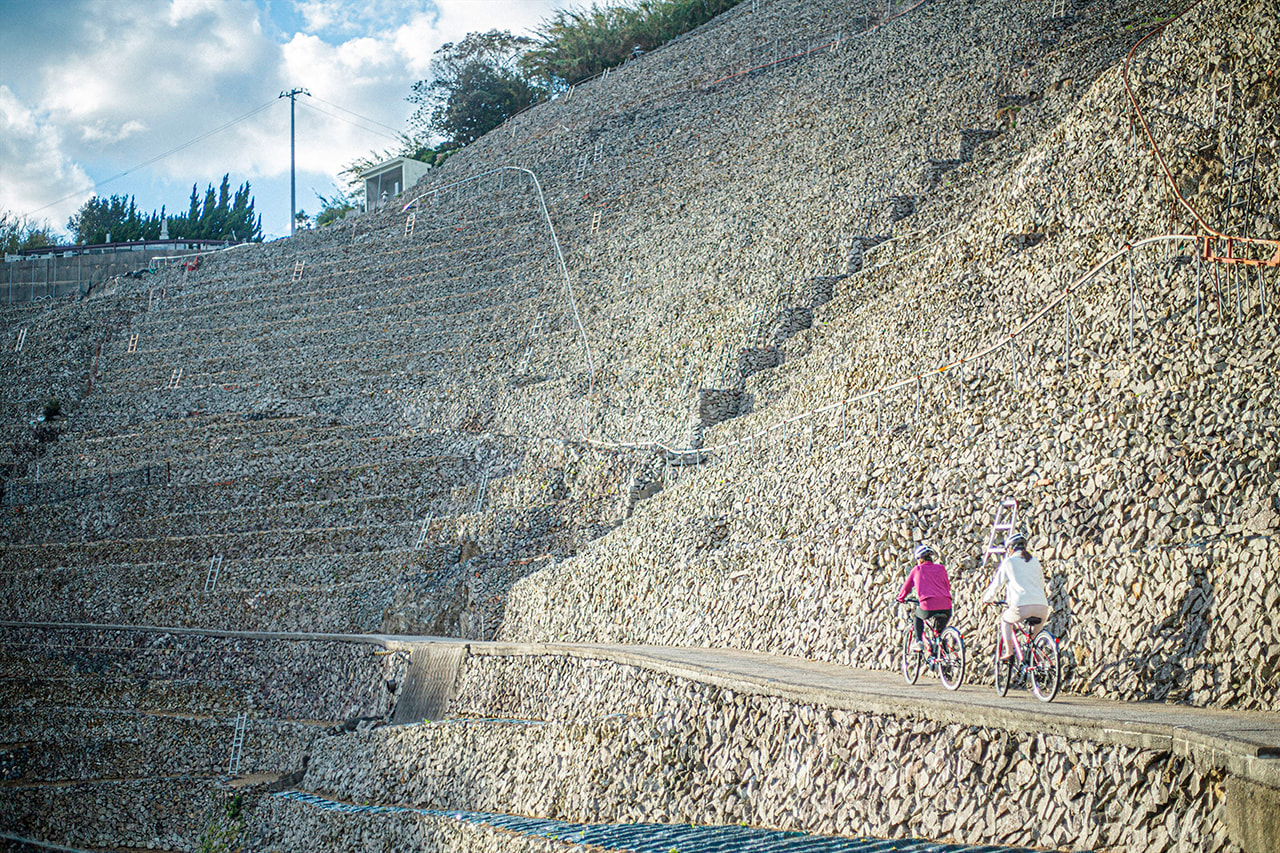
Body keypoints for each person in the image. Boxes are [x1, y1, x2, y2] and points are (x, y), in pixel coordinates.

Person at [982, 531, 1050, 660]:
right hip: (1042, 607)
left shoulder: (1009, 562)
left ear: (1011, 548)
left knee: (1005, 620)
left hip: (1021, 606)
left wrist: (987, 599)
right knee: (1032, 641)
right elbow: (1041, 583)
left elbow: (997, 585)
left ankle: (1009, 652)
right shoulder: (1034, 561)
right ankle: (1038, 664)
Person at [896, 544, 953, 652]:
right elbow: (947, 586)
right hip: (946, 605)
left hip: (928, 606)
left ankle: (918, 641)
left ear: (919, 559)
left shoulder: (917, 569)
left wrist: (900, 598)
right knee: (939, 633)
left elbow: (906, 588)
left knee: (917, 617)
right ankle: (944, 659)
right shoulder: (941, 568)